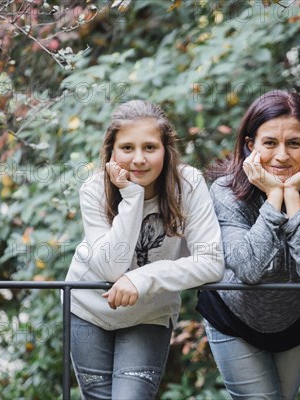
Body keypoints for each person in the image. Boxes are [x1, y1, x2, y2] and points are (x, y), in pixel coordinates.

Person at [65, 100, 224, 399]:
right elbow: (111, 269)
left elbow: (211, 261)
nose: (138, 159)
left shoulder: (187, 184)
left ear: (166, 149)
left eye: (150, 148)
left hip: (149, 314)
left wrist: (141, 279)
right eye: (127, 148)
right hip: (87, 309)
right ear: (111, 151)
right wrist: (132, 196)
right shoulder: (95, 188)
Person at [196, 90, 300, 400]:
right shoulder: (225, 192)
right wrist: (275, 197)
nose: (281, 156)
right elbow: (249, 269)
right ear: (251, 145)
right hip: (234, 316)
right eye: (270, 143)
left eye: (294, 143)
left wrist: (292, 196)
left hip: (299, 320)